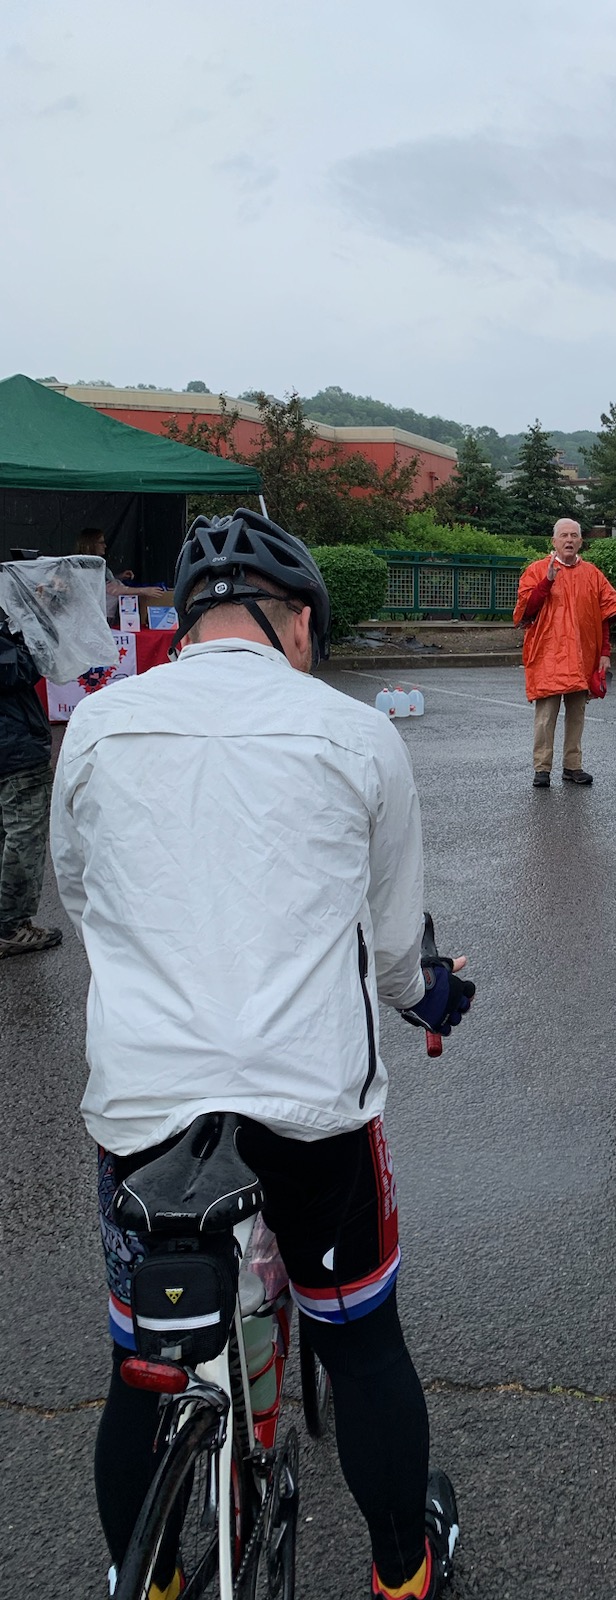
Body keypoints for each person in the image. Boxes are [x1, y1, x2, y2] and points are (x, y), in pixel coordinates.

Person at [51, 509, 473, 1600]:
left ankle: (151, 1579)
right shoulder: (355, 733)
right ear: (298, 624)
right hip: (310, 1105)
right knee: (362, 1344)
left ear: (187, 624)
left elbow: (85, 900)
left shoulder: (98, 726)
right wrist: (431, 995)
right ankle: (403, 1571)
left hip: (147, 1108)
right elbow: (394, 950)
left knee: (145, 1363)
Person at [513, 517, 616, 787]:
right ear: (554, 541)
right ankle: (542, 768)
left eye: (574, 535)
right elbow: (526, 611)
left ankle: (573, 766)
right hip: (548, 655)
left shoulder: (593, 574)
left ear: (581, 541)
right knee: (545, 716)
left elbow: (604, 617)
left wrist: (605, 652)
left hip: (582, 656)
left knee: (577, 715)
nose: (569, 540)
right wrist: (547, 582)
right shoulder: (537, 570)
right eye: (564, 535)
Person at [0, 605, 62, 957]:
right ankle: (11, 925)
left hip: (12, 742)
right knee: (24, 836)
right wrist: (35, 622)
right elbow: (21, 667)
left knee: (9, 833)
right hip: (15, 746)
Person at [75, 528, 166, 625]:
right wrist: (144, 591)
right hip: (98, 618)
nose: (105, 546)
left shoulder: (89, 564)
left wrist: (119, 577)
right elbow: (112, 589)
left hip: (97, 615)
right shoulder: (89, 566)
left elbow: (101, 583)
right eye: (101, 543)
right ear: (91, 544)